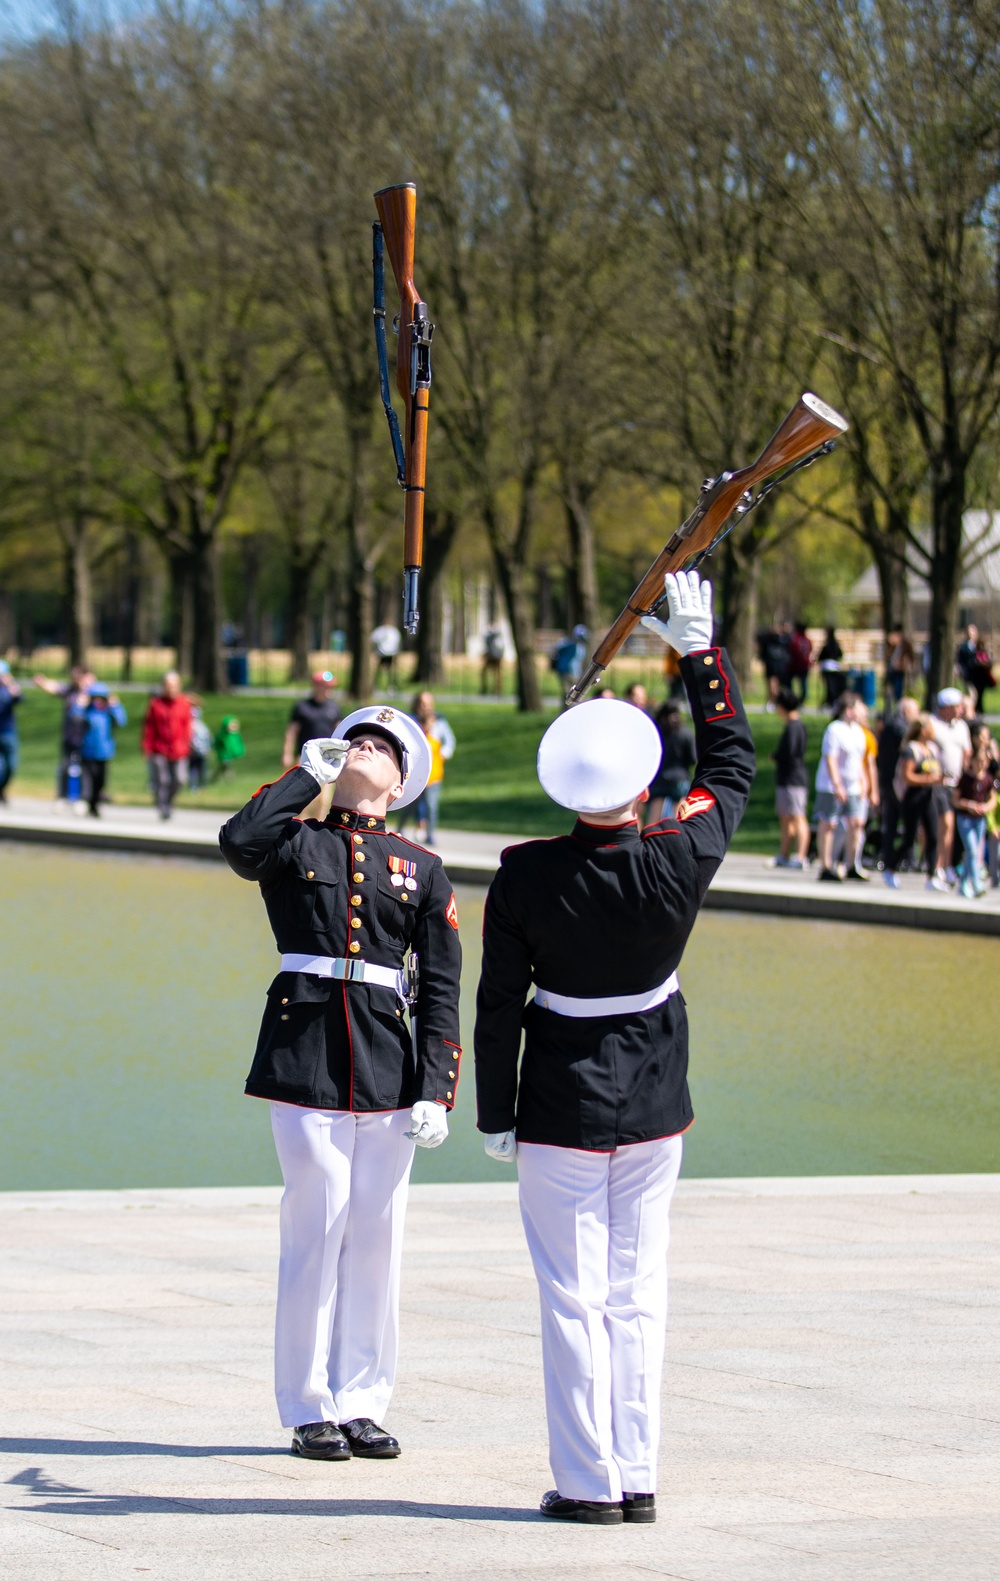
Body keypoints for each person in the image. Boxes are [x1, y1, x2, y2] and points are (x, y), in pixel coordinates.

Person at [475, 571, 754, 1527]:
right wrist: (699, 656)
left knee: (572, 1297)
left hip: (557, 1101)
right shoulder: (682, 852)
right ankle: (635, 1474)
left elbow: (498, 1003)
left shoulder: (522, 877)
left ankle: (588, 1482)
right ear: (642, 787)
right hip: (655, 1098)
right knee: (639, 1293)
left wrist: (495, 1113)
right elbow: (732, 766)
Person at [220, 705, 462, 1463]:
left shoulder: (421, 867)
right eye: (360, 736)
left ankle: (362, 1399)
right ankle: (307, 1405)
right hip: (305, 1051)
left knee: (377, 1238)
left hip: (388, 1060)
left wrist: (437, 1086)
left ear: (401, 782)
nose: (369, 745)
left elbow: (444, 987)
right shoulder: (298, 841)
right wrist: (306, 776)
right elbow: (238, 841)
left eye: (386, 746)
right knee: (316, 1227)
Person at [814, 691, 868, 882]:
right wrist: (837, 785)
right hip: (831, 785)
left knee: (856, 822)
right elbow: (831, 758)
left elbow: (859, 761)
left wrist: (864, 783)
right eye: (860, 707)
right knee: (829, 823)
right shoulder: (834, 729)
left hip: (853, 786)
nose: (864, 711)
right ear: (849, 709)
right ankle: (826, 865)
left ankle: (851, 864)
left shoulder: (858, 731)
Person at [397, 691, 456, 845]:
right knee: (409, 804)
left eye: (428, 704)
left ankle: (430, 834)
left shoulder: (440, 722)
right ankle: (400, 830)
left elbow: (449, 741)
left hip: (434, 776)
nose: (425, 707)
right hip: (415, 773)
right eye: (422, 703)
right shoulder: (411, 722)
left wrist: (445, 752)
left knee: (431, 807)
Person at [891, 715, 942, 886]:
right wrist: (928, 780)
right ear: (923, 730)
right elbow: (907, 776)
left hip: (929, 796)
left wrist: (938, 778)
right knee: (909, 837)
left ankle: (932, 876)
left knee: (934, 835)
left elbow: (936, 771)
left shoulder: (932, 749)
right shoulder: (911, 749)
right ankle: (890, 867)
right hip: (913, 797)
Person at [876, 696, 920, 885]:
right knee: (907, 822)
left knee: (891, 824)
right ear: (906, 711)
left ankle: (889, 858)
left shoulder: (888, 727)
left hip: (886, 781)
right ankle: (907, 859)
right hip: (897, 782)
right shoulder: (901, 729)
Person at [932, 687, 972, 888]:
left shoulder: (961, 726)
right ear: (946, 708)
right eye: (957, 707)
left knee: (951, 828)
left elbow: (967, 752)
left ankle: (947, 866)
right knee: (944, 825)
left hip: (956, 783)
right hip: (939, 784)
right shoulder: (933, 725)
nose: (961, 710)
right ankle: (938, 867)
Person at [952, 723, 997, 898]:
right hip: (966, 818)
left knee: (974, 852)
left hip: (980, 819)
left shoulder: (987, 779)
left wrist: (986, 807)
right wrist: (969, 805)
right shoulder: (966, 778)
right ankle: (977, 884)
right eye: (978, 762)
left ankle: (963, 884)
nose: (981, 766)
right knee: (971, 850)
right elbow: (955, 800)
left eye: (984, 762)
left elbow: (992, 798)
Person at [34, 664, 94, 798]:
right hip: (70, 736)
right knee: (65, 767)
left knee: (86, 770)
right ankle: (62, 796)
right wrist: (42, 682)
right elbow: (55, 687)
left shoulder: (94, 694)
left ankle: (85, 797)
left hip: (87, 739)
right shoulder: (70, 691)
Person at [141, 671, 193, 820]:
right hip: (159, 748)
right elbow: (149, 727)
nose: (171, 689)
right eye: (168, 686)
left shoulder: (184, 703)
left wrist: (187, 744)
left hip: (179, 748)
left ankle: (168, 801)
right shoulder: (156, 704)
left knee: (180, 779)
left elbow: (187, 726)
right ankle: (162, 806)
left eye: (174, 686)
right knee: (162, 780)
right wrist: (147, 747)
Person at [74, 683, 127, 817]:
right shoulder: (87, 711)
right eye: (95, 698)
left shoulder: (108, 712)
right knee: (87, 779)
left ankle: (95, 804)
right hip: (87, 751)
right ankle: (86, 801)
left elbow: (122, 721)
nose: (98, 701)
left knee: (100, 780)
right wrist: (80, 704)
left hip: (103, 752)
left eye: (101, 698)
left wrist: (115, 705)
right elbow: (74, 717)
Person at [772, 688, 809, 868]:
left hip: (793, 778)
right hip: (787, 778)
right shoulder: (794, 725)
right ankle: (784, 854)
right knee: (786, 817)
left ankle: (801, 856)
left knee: (797, 816)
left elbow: (791, 752)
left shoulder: (794, 727)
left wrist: (777, 756)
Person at [646, 700, 695, 824]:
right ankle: (676, 840)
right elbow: (692, 758)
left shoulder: (656, 733)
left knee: (654, 817)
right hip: (679, 778)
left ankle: (648, 840)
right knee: (678, 816)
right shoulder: (685, 733)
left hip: (658, 778)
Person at [282, 671, 342, 771]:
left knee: (325, 786)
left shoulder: (334, 707)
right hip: (305, 756)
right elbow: (292, 732)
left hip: (327, 757)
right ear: (316, 686)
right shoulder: (302, 707)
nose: (330, 689)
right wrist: (287, 754)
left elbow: (339, 731)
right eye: (326, 686)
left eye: (331, 686)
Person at [956, 625, 995, 716]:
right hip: (969, 676)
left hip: (980, 676)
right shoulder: (963, 648)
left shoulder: (980, 645)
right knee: (972, 694)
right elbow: (961, 662)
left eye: (973, 633)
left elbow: (988, 660)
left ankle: (979, 712)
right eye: (969, 633)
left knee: (980, 695)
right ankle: (970, 712)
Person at [0, 659, 21, 803]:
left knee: (11, 765)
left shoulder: (9, 689)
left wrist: (11, 685)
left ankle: (1, 789)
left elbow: (19, 698)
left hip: (8, 732)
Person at [550, 625, 589, 705]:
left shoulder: (581, 647)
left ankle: (575, 708)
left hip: (576, 672)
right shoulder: (567, 644)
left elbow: (579, 660)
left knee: (577, 692)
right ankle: (566, 709)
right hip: (565, 671)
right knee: (567, 692)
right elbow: (555, 651)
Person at [885, 629, 916, 704]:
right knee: (891, 686)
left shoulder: (905, 644)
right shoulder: (893, 644)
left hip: (900, 669)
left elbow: (910, 655)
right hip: (893, 668)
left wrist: (911, 664)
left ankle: (898, 700)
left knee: (898, 686)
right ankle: (891, 700)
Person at [188, 700, 213, 791]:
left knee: (202, 770)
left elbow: (208, 737)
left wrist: (208, 746)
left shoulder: (201, 726)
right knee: (193, 770)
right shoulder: (190, 726)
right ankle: (193, 786)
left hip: (202, 751)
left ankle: (201, 785)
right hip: (193, 751)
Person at [817, 627, 844, 709]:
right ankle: (831, 700)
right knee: (832, 685)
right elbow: (840, 655)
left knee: (829, 686)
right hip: (834, 667)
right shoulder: (835, 644)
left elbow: (821, 656)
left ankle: (830, 700)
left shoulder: (827, 644)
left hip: (827, 667)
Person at [213, 714, 245, 779]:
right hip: (224, 755)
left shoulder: (235, 735)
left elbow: (238, 744)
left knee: (222, 768)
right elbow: (217, 744)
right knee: (226, 766)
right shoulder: (222, 735)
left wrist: (239, 752)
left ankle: (214, 778)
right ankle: (229, 778)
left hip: (231, 755)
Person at [787, 622, 812, 705]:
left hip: (794, 666)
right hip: (804, 666)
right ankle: (799, 700)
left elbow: (791, 652)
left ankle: (792, 700)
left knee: (790, 684)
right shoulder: (807, 640)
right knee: (803, 685)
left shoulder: (795, 639)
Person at [371, 624, 402, 691]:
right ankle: (376, 685)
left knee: (391, 672)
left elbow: (397, 641)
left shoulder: (393, 631)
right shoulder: (380, 630)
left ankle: (391, 685)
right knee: (378, 671)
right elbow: (373, 639)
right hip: (381, 653)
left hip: (391, 653)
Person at [480, 626, 505, 696]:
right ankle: (496, 689)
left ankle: (495, 689)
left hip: (493, 657)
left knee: (495, 673)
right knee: (497, 674)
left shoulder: (492, 639)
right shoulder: (498, 638)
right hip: (495, 657)